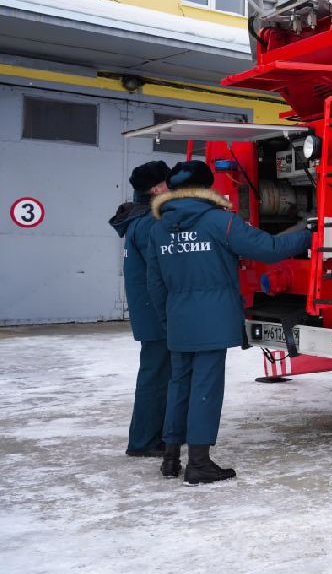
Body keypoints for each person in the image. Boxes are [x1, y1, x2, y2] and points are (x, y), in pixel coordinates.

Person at [146, 160, 311, 485]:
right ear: (206, 187)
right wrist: (310, 234)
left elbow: (155, 282)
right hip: (213, 318)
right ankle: (199, 464)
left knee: (179, 385)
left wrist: (168, 319)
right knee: (205, 388)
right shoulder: (219, 222)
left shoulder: (159, 228)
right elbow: (269, 249)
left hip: (179, 317)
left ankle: (170, 459)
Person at [108, 160, 172, 458]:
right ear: (157, 188)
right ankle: (144, 441)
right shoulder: (150, 223)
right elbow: (163, 270)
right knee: (156, 376)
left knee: (157, 374)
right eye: (168, 182)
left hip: (149, 311)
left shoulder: (138, 219)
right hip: (156, 313)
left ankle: (154, 435)